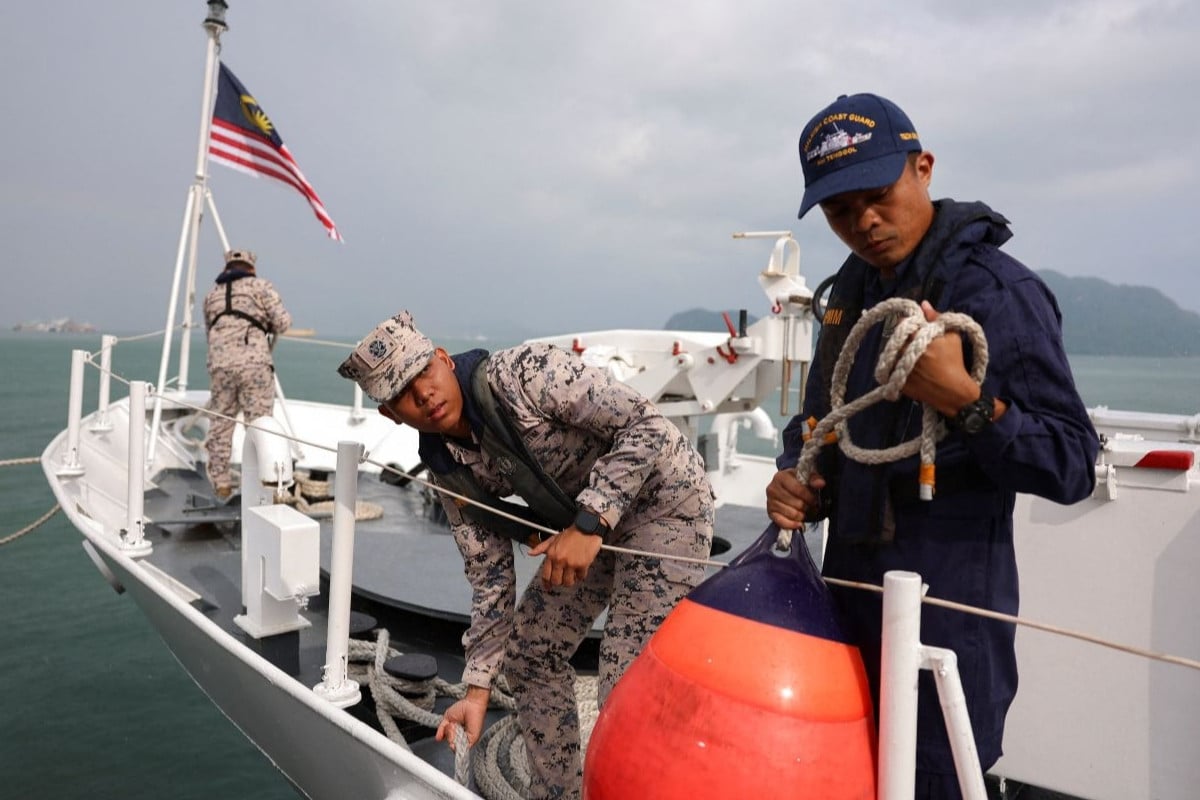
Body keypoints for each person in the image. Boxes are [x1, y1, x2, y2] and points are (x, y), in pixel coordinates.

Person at [766, 93, 1099, 798]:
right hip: (848, 605)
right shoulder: (850, 293)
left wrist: (965, 400)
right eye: (839, 210)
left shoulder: (1001, 294)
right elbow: (821, 420)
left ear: (923, 168)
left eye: (877, 196)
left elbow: (1071, 464)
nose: (864, 223)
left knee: (938, 782)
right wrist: (797, 478)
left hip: (948, 616)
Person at [336, 311, 714, 800]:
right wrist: (476, 690)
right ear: (390, 413)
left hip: (666, 504)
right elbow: (490, 578)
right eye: (403, 393)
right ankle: (556, 792)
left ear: (445, 361)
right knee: (529, 653)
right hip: (591, 529)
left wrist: (588, 522)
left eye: (424, 372)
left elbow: (648, 427)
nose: (424, 394)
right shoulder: (448, 472)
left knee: (626, 683)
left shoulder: (526, 374)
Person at [202, 249, 291, 500]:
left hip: (220, 366)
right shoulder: (261, 287)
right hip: (254, 365)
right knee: (261, 424)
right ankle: (265, 488)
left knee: (220, 423)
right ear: (251, 267)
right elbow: (283, 322)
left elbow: (210, 330)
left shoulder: (211, 296)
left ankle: (221, 484)